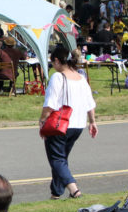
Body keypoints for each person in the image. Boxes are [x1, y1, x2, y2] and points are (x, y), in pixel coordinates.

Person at [39, 45, 97, 200]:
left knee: (56, 159)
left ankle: (74, 189)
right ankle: (56, 193)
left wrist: (42, 120)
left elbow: (50, 103)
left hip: (60, 124)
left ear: (58, 61)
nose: (53, 66)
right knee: (61, 158)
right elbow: (90, 103)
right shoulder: (81, 78)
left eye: (53, 63)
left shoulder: (58, 77)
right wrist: (92, 122)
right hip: (78, 124)